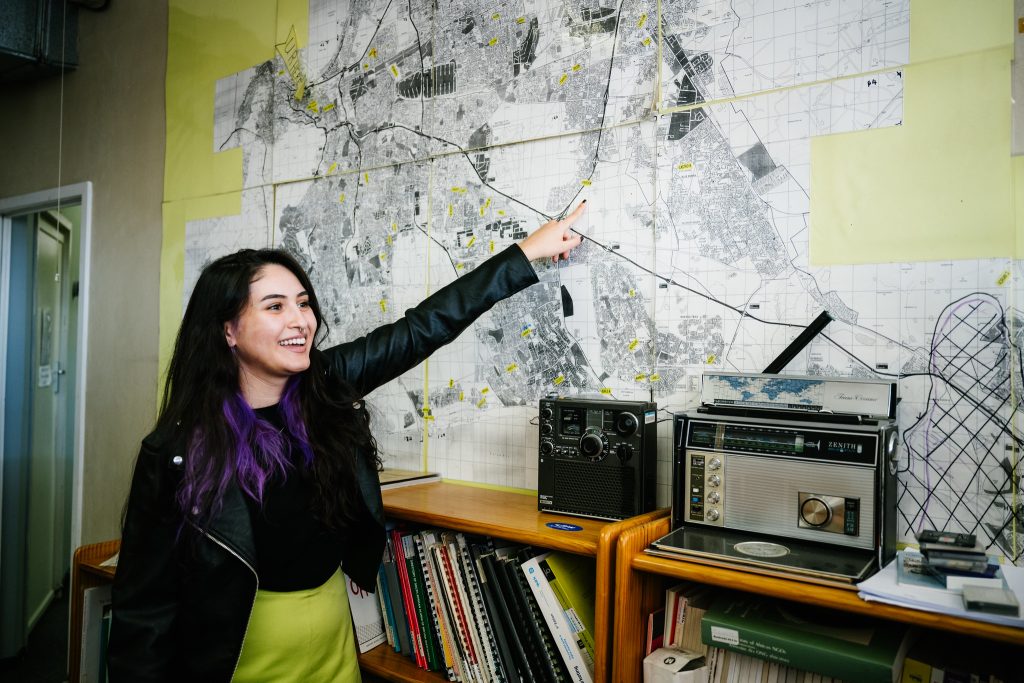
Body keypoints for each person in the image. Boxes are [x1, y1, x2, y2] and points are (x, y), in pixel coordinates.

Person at [108, 202, 586, 682]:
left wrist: (526, 253)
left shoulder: (328, 383)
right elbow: (143, 613)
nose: (301, 320)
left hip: (333, 642)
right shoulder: (176, 452)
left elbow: (423, 328)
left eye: (303, 302)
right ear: (228, 330)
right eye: (275, 307)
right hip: (234, 656)